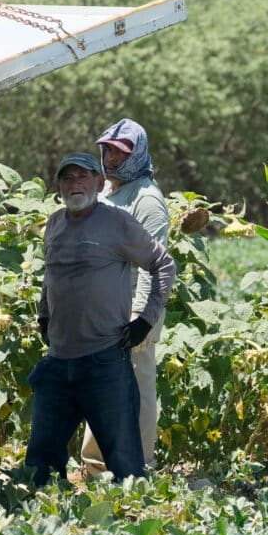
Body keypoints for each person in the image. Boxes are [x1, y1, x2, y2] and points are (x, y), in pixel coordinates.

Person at [26, 152, 176, 486]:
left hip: (104, 361)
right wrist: (44, 314)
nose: (75, 184)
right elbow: (50, 273)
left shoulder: (117, 222)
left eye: (83, 176)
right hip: (59, 362)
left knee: (126, 470)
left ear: (98, 182)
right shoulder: (55, 223)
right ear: (59, 186)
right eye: (67, 178)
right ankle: (45, 526)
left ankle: (135, 527)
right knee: (39, 467)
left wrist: (145, 319)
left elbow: (162, 264)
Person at [79, 119, 170, 476]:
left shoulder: (147, 200)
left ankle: (136, 464)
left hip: (134, 308)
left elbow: (153, 265)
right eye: (108, 151)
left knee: (135, 385)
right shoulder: (108, 192)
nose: (112, 159)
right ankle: (95, 465)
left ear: (137, 154)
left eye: (120, 152)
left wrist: (141, 318)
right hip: (104, 309)